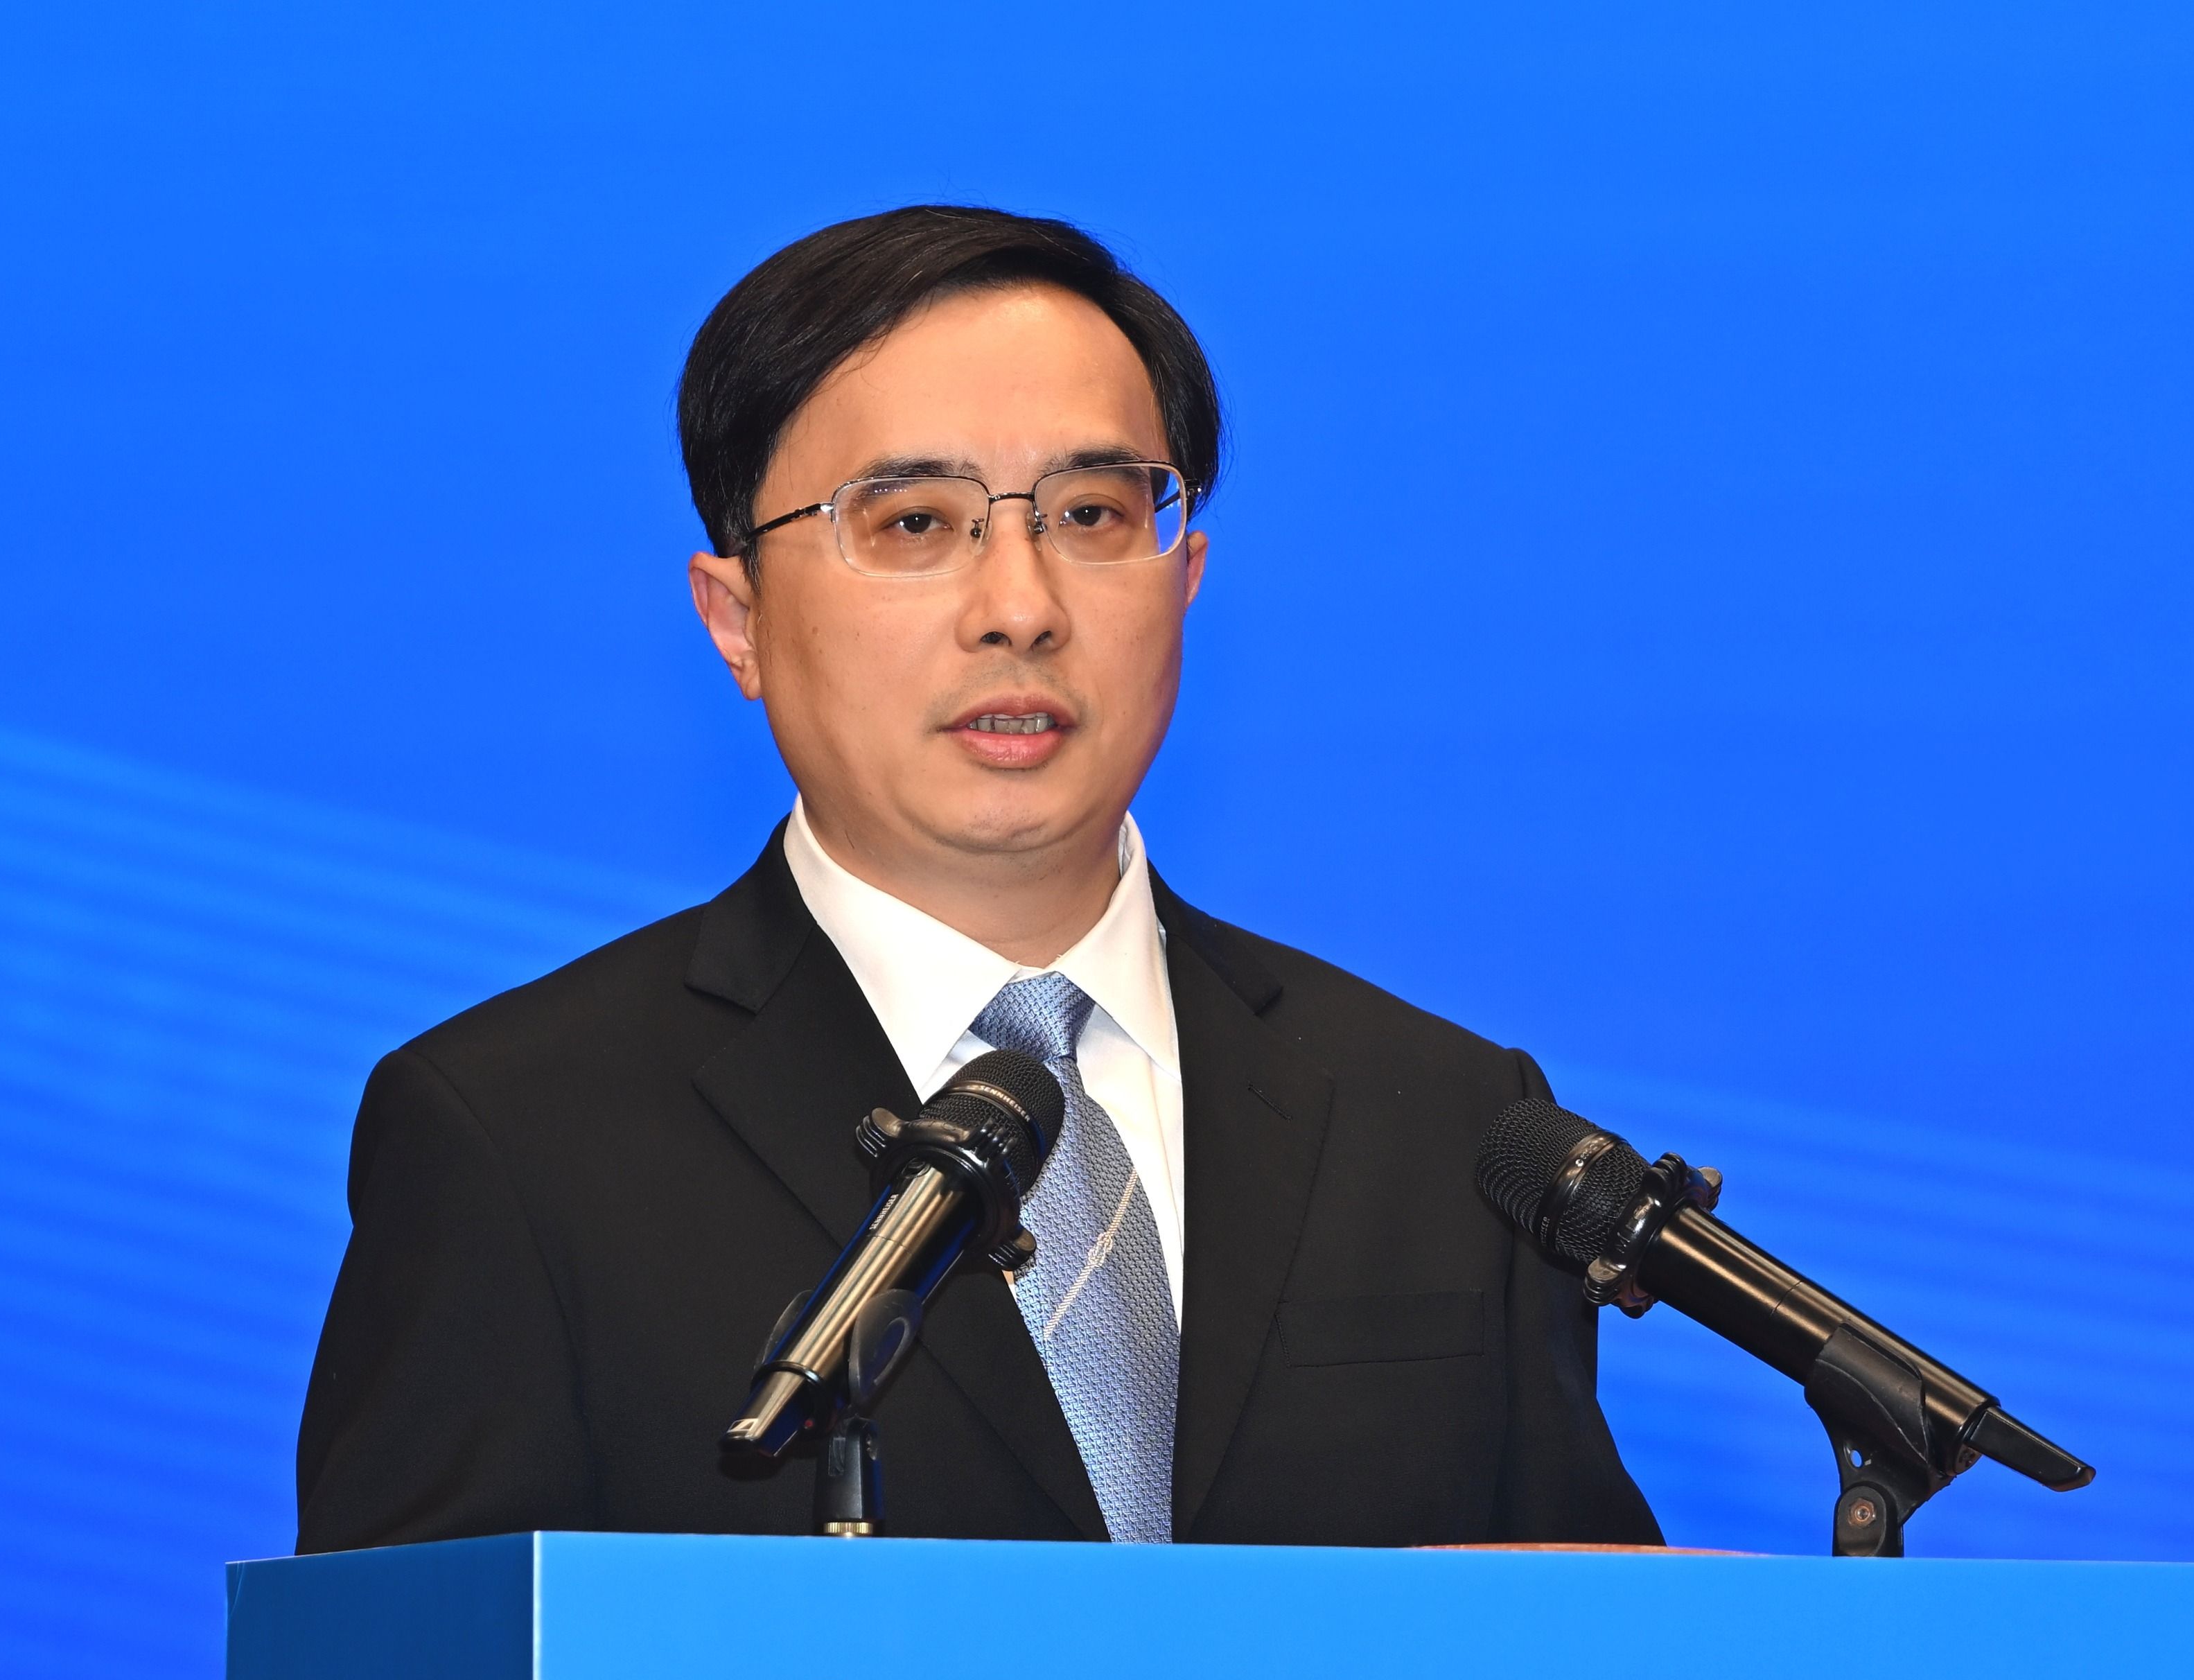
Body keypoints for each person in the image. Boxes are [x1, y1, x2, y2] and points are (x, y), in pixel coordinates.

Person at [294, 206, 1659, 1551]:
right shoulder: (517, 1137)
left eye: (1092, 513)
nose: (1020, 606)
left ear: (1184, 578)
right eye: (913, 523)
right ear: (738, 618)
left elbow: (1592, 1656)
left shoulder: (1450, 1123)